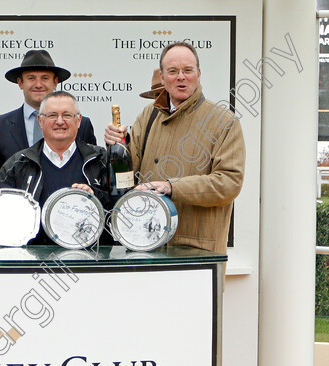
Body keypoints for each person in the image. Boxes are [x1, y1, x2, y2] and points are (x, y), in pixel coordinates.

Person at [104, 42, 244, 253]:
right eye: (173, 71)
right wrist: (117, 145)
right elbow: (128, 173)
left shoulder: (224, 121)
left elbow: (229, 183)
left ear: (198, 74)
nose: (181, 77)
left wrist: (172, 187)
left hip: (197, 251)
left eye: (187, 70)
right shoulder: (148, 115)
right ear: (162, 77)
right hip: (147, 245)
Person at [0, 91, 115, 245]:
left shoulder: (102, 160)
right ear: (40, 121)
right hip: (32, 261)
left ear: (79, 121)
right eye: (52, 115)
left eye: (67, 115)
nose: (60, 121)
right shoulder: (17, 164)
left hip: (92, 262)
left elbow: (120, 210)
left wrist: (95, 197)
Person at [0, 50, 96, 174]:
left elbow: (92, 170)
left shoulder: (81, 125)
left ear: (55, 82)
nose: (38, 85)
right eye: (31, 78)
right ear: (20, 83)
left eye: (45, 78)